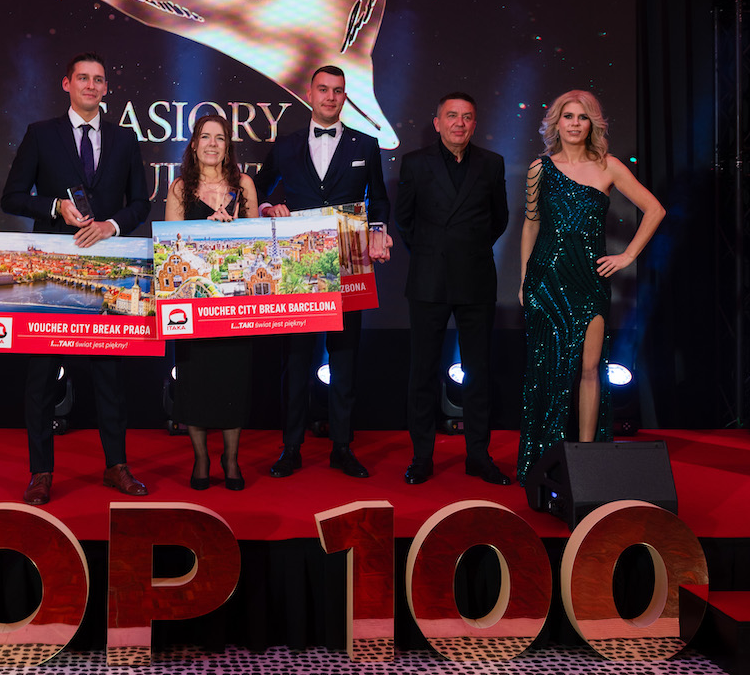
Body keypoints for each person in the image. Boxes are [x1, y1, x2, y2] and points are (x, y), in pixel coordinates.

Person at [0, 52, 152, 505]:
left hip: (109, 269)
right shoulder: (40, 134)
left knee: (110, 377)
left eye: (98, 80)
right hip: (51, 267)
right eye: (83, 78)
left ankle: (116, 465)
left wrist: (112, 225)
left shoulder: (125, 139)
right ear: (66, 84)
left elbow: (140, 203)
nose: (91, 85)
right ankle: (41, 472)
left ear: (107, 88)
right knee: (41, 377)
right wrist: (54, 207)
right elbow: (11, 197)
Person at [517, 90, 665, 484]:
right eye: (568, 116)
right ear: (556, 122)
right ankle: (545, 463)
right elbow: (531, 225)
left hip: (589, 282)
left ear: (592, 124)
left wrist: (628, 256)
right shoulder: (539, 168)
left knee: (588, 369)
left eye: (582, 117)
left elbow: (655, 209)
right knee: (547, 372)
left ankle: (587, 462)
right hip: (545, 280)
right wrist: (523, 281)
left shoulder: (609, 166)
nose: (574, 124)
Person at [253, 65, 392, 479]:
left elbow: (380, 200)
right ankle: (291, 448)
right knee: (295, 361)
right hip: (299, 266)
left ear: (345, 97)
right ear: (310, 94)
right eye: (324, 90)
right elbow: (257, 190)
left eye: (338, 91)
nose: (331, 97)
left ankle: (342, 447)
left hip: (350, 263)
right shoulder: (286, 145)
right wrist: (267, 208)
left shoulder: (366, 144)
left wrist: (379, 231)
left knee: (345, 360)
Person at [395, 92, 510, 486]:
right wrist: (433, 251)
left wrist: (467, 248)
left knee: (478, 372)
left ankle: (478, 455)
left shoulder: (492, 163)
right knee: (422, 372)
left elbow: (499, 219)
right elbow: (404, 221)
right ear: (437, 122)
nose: (459, 123)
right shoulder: (415, 163)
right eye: (452, 116)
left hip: (476, 278)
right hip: (428, 279)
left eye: (467, 117)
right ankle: (421, 457)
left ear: (475, 124)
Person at [165, 114, 259, 491]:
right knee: (196, 383)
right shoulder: (179, 189)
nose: (212, 144)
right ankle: (201, 458)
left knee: (233, 380)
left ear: (227, 146)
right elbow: (170, 247)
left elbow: (257, 246)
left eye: (220, 138)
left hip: (235, 305)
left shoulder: (244, 185)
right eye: (205, 137)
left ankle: (231, 459)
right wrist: (206, 232)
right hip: (194, 306)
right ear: (194, 145)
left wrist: (235, 233)